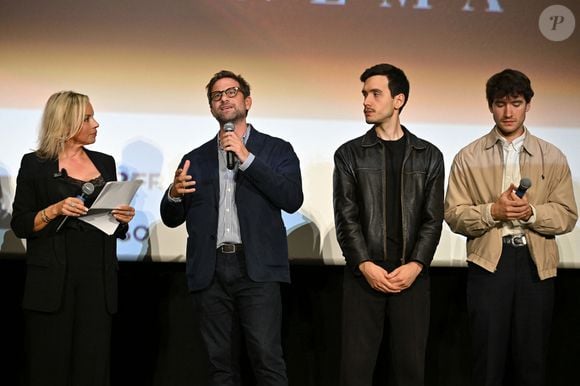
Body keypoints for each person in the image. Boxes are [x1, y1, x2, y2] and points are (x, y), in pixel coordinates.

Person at [160, 70, 303, 386]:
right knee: (220, 366)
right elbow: (172, 217)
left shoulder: (277, 150)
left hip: (257, 270)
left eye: (231, 92)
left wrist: (246, 157)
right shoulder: (195, 158)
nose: (223, 98)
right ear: (212, 108)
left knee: (267, 360)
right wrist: (172, 194)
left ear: (247, 101)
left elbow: (292, 198)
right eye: (216, 95)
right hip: (210, 271)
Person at [444, 69, 578, 386]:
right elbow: (453, 215)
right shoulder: (468, 157)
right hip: (489, 264)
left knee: (532, 361)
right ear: (490, 106)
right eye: (501, 103)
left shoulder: (553, 156)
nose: (508, 112)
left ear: (528, 105)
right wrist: (494, 211)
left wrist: (531, 211)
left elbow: (567, 215)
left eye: (516, 103)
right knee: (487, 361)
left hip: (535, 266)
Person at [11, 91, 136, 386]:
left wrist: (121, 219)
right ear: (66, 122)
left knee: (92, 369)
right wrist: (54, 209)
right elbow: (20, 224)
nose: (96, 124)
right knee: (49, 368)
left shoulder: (105, 163)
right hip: (53, 283)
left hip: (97, 281)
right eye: (88, 118)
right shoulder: (35, 164)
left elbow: (111, 226)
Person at [333, 63, 444, 386]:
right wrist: (365, 265)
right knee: (355, 372)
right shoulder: (350, 154)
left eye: (375, 93)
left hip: (411, 277)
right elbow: (346, 217)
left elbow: (432, 219)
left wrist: (416, 265)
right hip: (363, 278)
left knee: (410, 371)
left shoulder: (429, 156)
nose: (366, 101)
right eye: (364, 94)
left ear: (399, 100)